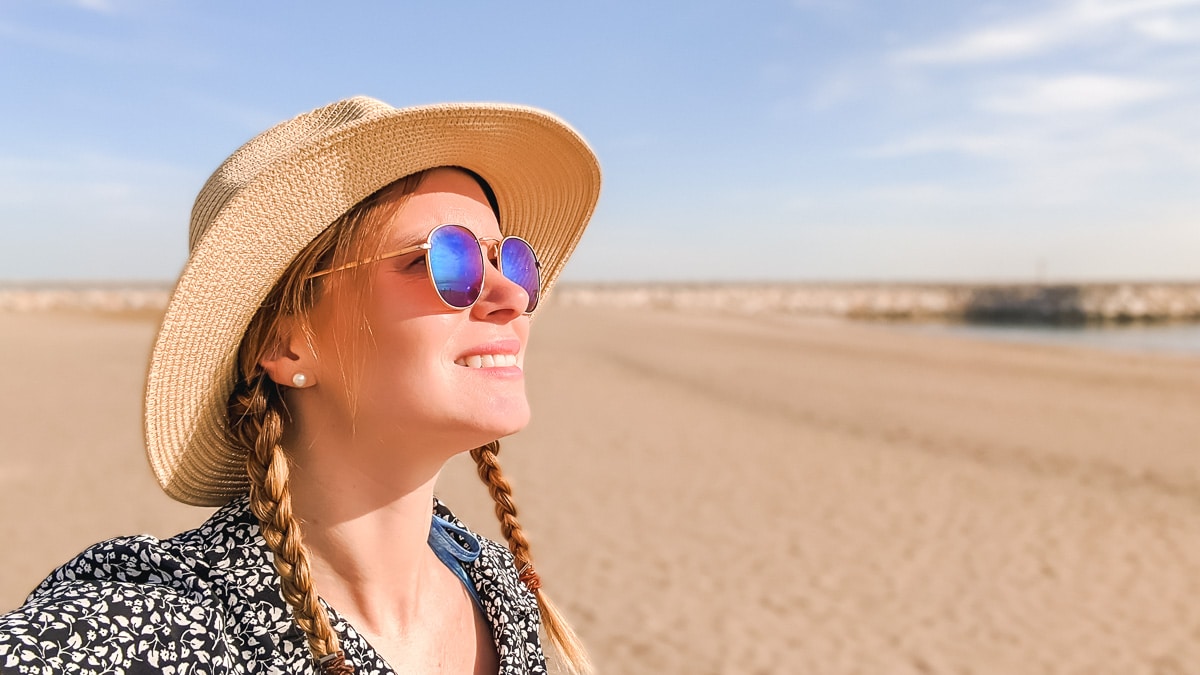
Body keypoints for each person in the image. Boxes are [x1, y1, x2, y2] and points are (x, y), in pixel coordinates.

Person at [0, 97, 601, 674]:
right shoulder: (158, 626)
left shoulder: (500, 595)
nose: (513, 297)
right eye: (448, 259)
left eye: (511, 260)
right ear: (284, 345)